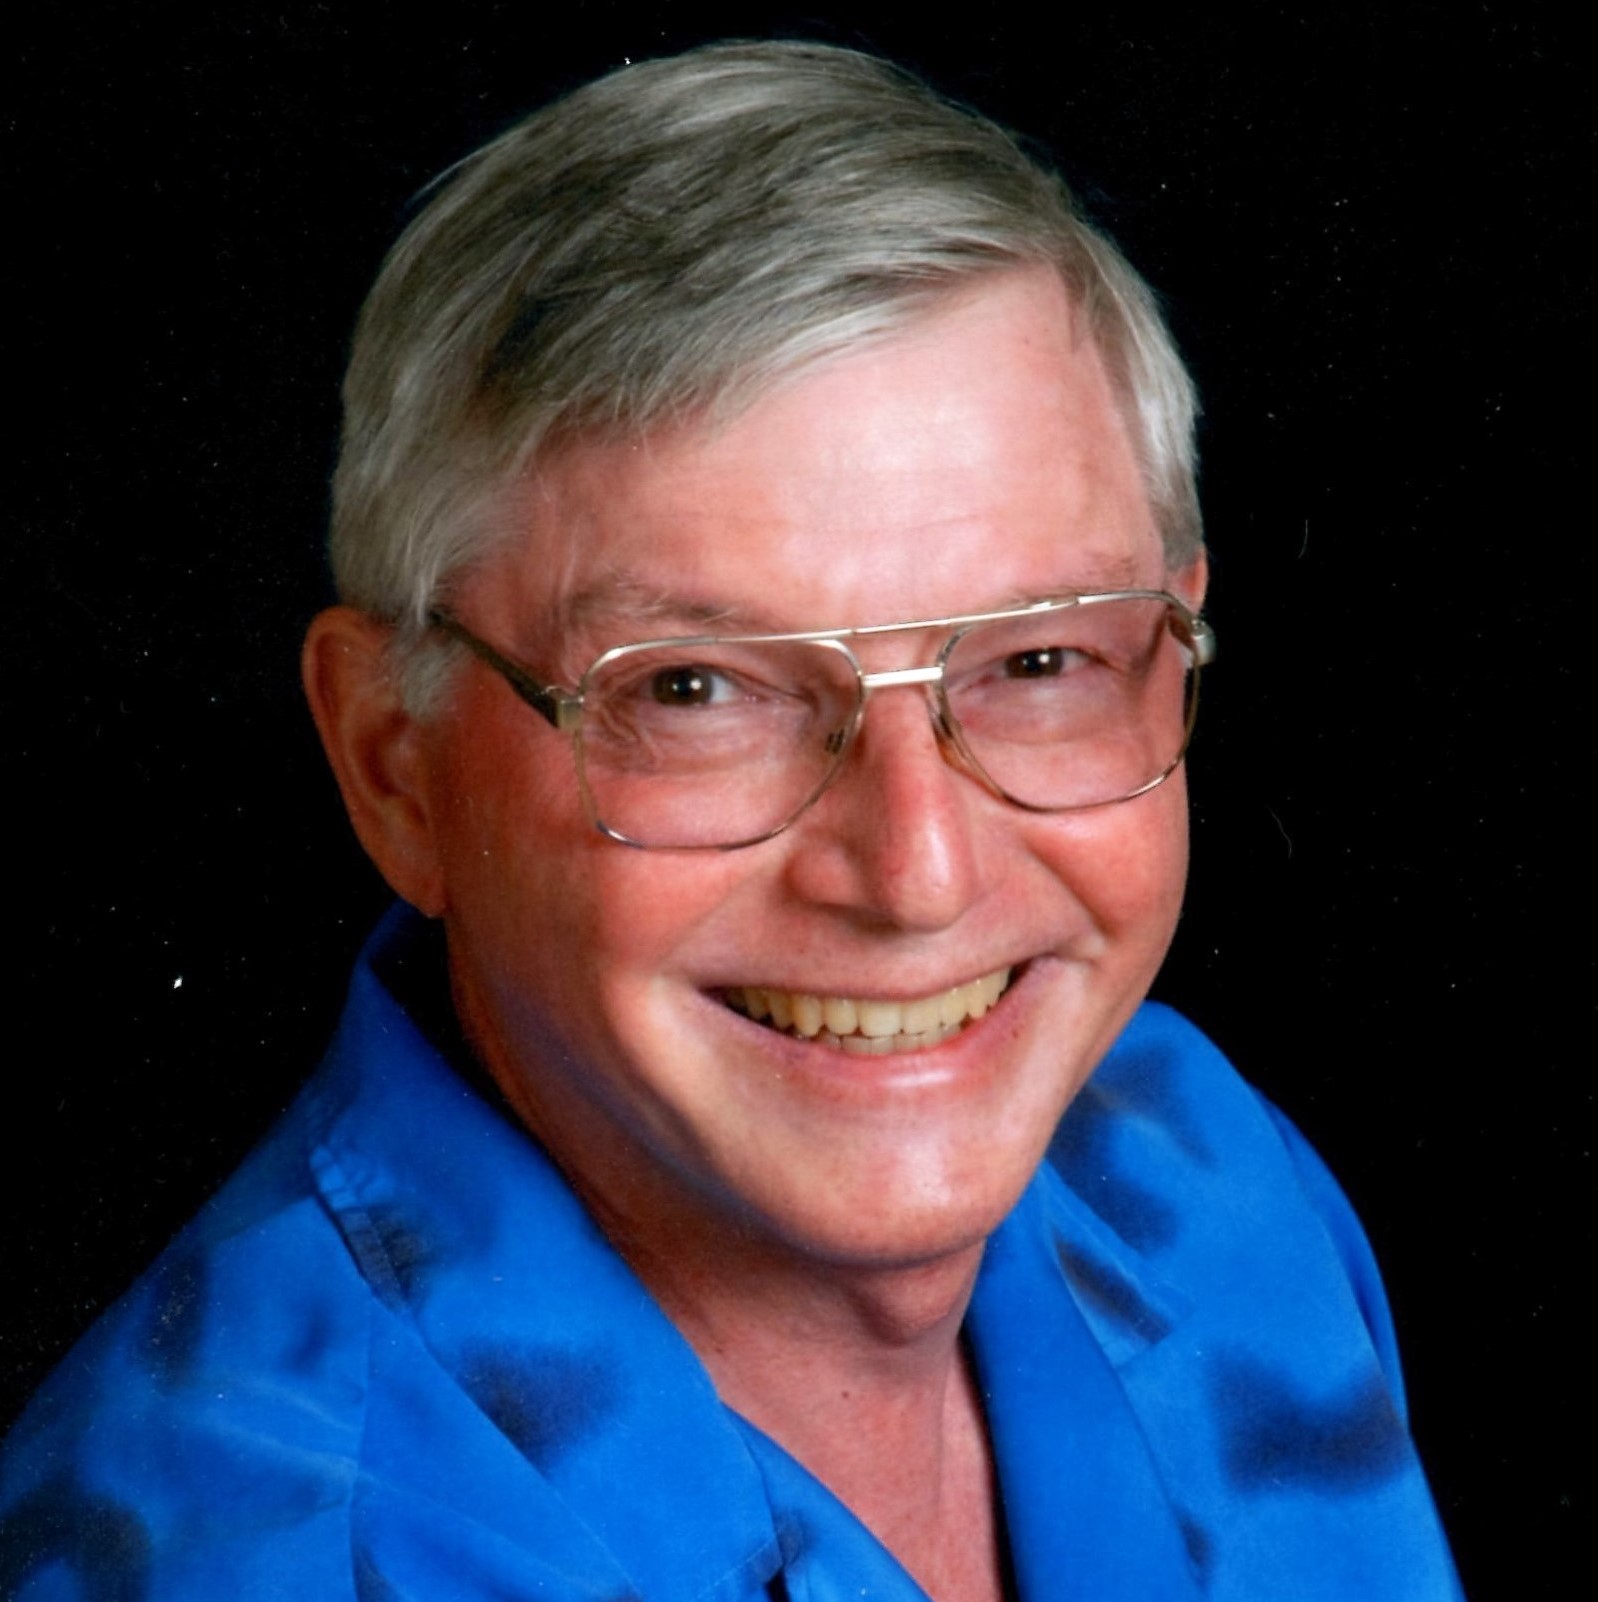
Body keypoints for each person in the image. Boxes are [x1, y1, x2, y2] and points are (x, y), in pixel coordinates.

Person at [0, 41, 1462, 1601]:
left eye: (1038, 662)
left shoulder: (1195, 1168)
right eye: (696, 691)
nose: (918, 871)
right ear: (393, 765)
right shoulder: (283, 1554)